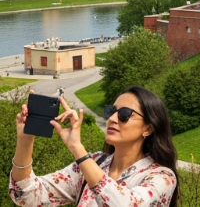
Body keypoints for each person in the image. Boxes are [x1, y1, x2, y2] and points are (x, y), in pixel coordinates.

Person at [10, 86, 179, 207]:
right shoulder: (96, 162)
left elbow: (124, 203)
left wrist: (77, 148)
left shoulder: (161, 177)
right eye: (111, 111)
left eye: (124, 114)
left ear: (148, 128)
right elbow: (27, 196)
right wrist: (25, 140)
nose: (112, 118)